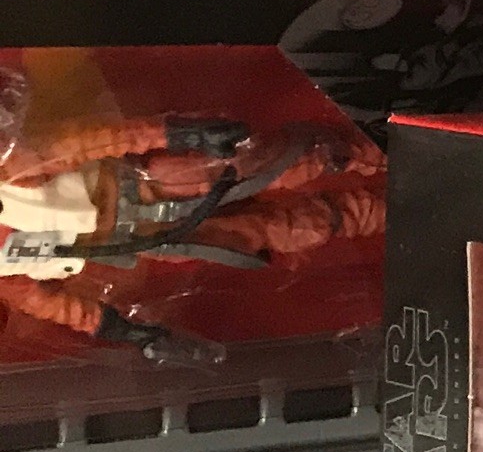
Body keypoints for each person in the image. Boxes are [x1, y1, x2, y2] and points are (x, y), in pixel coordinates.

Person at [0, 90, 381, 363]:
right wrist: (125, 331)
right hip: (149, 240)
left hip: (151, 182)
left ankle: (382, 148)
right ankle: (388, 210)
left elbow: (83, 144)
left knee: (288, 161)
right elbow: (45, 303)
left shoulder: (8, 172)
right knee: (288, 228)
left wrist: (176, 133)